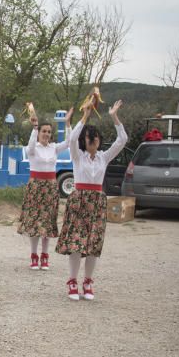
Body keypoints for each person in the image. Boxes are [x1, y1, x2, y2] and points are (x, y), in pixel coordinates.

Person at [55, 100, 126, 300]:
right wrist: (84, 117)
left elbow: (122, 140)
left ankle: (88, 281)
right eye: (89, 137)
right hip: (79, 199)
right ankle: (72, 281)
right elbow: (71, 140)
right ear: (83, 141)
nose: (93, 140)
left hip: (97, 202)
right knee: (77, 243)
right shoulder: (78, 156)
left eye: (95, 137)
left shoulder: (104, 157)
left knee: (93, 244)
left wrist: (114, 117)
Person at [17, 108, 73, 270]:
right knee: (35, 222)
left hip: (50, 188)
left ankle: (45, 255)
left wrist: (67, 123)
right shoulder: (33, 149)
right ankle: (34, 255)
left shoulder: (54, 148)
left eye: (49, 132)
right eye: (44, 131)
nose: (46, 134)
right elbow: (30, 145)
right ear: (39, 132)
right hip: (35, 187)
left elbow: (69, 142)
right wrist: (34, 128)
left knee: (48, 222)